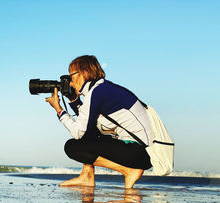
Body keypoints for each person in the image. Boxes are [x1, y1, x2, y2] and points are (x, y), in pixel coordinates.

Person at [46, 55, 152, 188]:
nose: (70, 82)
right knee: (89, 134)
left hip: (138, 152)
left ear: (83, 73)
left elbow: (78, 132)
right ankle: (87, 176)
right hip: (139, 151)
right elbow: (88, 122)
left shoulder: (97, 92)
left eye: (71, 76)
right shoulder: (101, 88)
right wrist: (73, 100)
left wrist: (59, 110)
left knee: (72, 147)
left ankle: (128, 170)